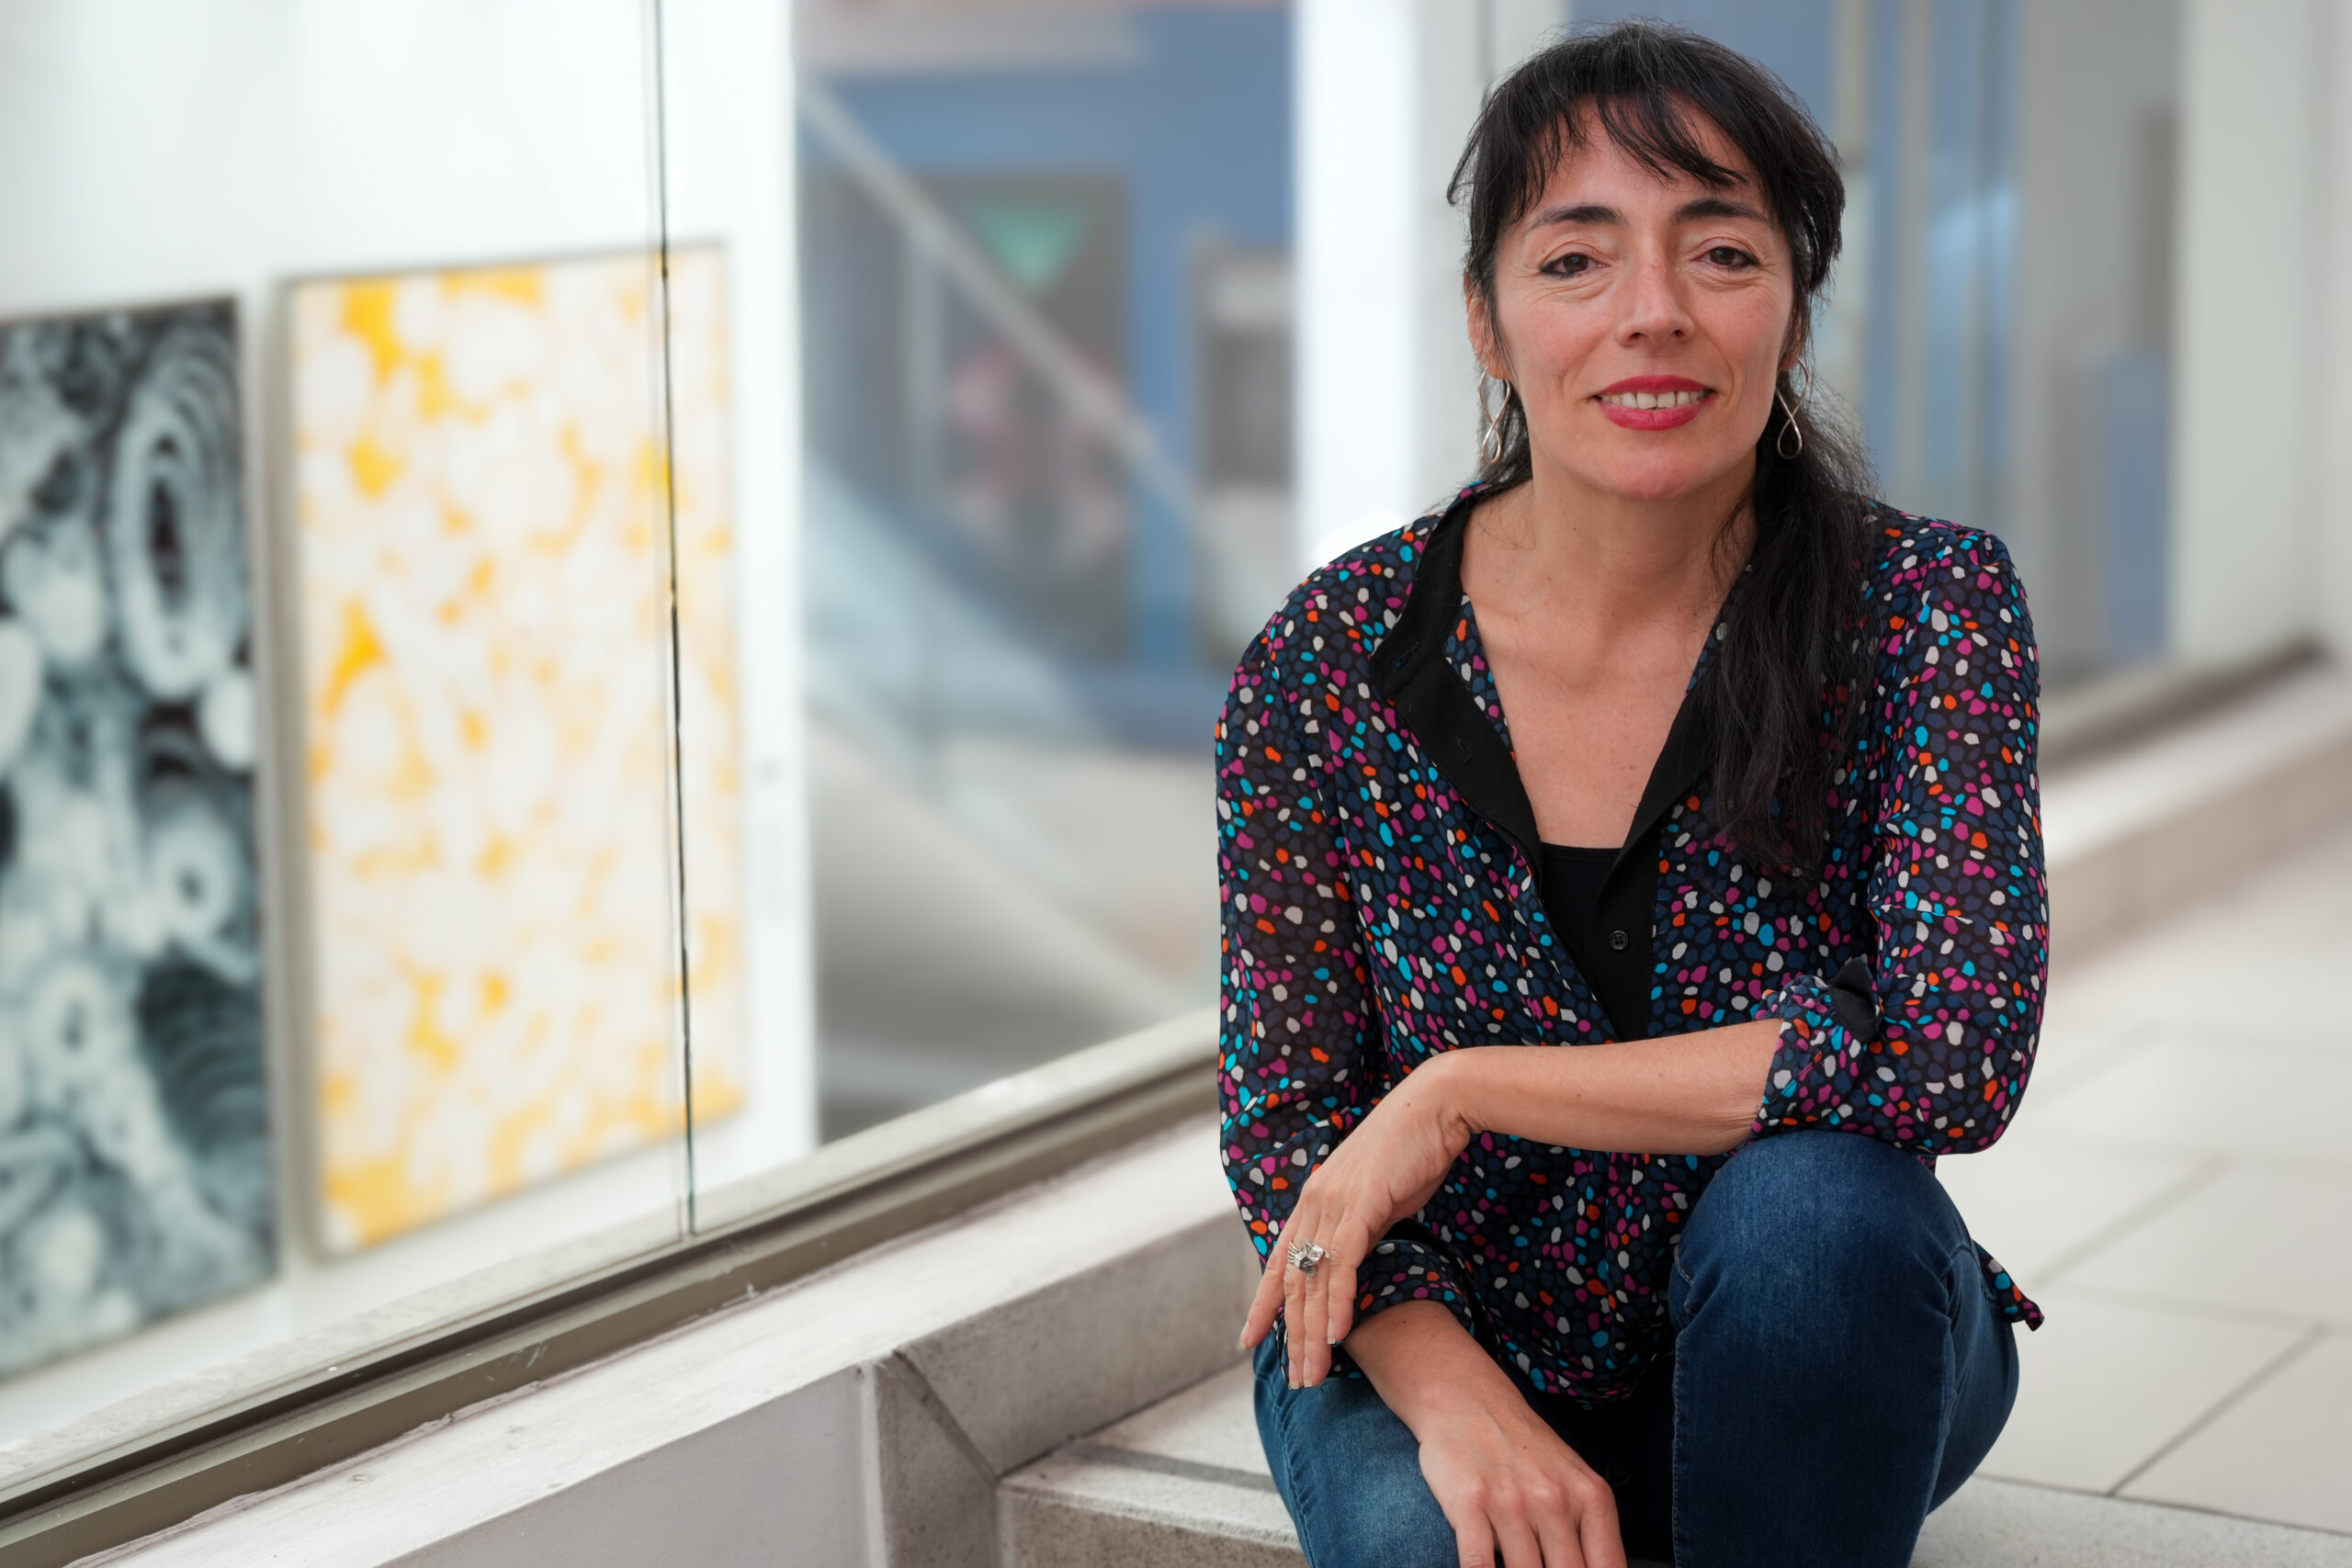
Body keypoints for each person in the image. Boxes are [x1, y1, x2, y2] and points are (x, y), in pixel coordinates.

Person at [1216, 21, 2045, 1568]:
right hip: (1437, 1340)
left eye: (1721, 252)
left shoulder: (1925, 610)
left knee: (1817, 1218)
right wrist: (1453, 1396)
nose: (1653, 312)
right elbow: (1292, 1129)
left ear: (1793, 306)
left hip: (1810, 1333)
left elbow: (1952, 1061)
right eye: (1576, 260)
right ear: (1487, 320)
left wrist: (1461, 1087)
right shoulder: (1329, 659)